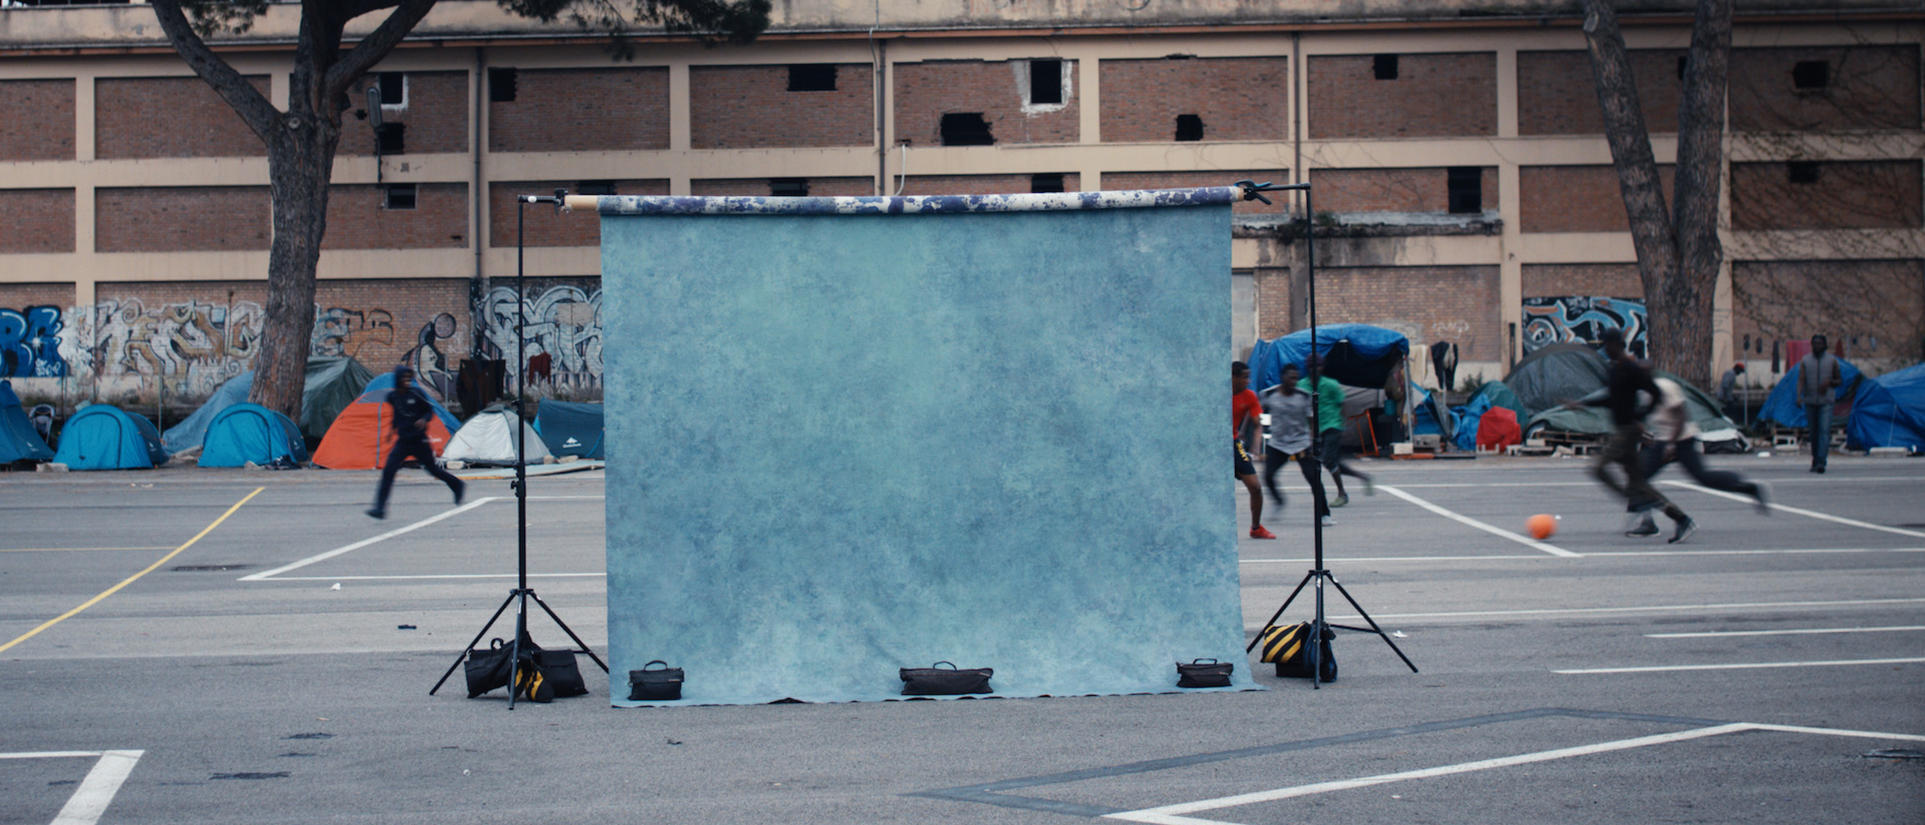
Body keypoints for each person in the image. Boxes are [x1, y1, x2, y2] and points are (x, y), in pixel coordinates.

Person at [1566, 328, 1694, 543]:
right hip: (1622, 430)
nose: (1605, 349)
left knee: (1598, 468)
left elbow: (1656, 393)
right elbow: (1611, 399)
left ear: (1617, 344)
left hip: (1628, 432)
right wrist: (1582, 404)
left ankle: (1632, 499)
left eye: (1607, 344)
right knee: (1639, 483)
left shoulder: (1632, 369)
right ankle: (1681, 519)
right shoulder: (1615, 370)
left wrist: (1641, 416)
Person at [1625, 377, 1771, 535]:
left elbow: (1681, 416)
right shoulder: (1643, 392)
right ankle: (1648, 523)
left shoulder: (1664, 387)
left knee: (1703, 477)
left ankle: (1749, 487)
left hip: (1682, 439)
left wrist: (1671, 444)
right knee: (1639, 476)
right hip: (1663, 440)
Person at [367, 365, 465, 519]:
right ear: (398, 379)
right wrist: (391, 430)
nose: (406, 381)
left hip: (419, 441)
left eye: (408, 378)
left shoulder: (416, 393)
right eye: (403, 378)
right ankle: (379, 508)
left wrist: (423, 420)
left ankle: (456, 484)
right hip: (403, 441)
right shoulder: (393, 397)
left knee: (433, 469)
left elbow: (429, 411)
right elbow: (398, 415)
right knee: (388, 471)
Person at [1258, 363, 1333, 526]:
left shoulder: (1304, 396)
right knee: (1268, 475)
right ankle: (1279, 501)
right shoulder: (1268, 394)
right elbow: (1258, 414)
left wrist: (1313, 441)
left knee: (1313, 477)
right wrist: (1261, 434)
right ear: (1282, 377)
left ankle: (1324, 513)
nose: (1293, 381)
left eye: (1296, 379)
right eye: (1290, 378)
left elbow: (1311, 420)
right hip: (1278, 442)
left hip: (1300, 442)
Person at [1299, 354, 1372, 507]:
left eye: (1318, 366)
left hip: (1331, 425)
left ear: (1322, 367)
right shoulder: (1302, 385)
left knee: (1328, 459)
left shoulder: (1330, 384)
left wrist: (1342, 422)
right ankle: (1363, 476)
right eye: (1312, 367)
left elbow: (1342, 404)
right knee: (1333, 462)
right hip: (1315, 428)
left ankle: (1342, 493)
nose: (1315, 370)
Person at [1231, 361, 1273, 539]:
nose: (1248, 381)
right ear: (1232, 378)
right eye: (1244, 377)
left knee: (1255, 487)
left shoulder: (1249, 396)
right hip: (1210, 446)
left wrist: (1256, 447)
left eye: (1249, 377)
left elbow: (1258, 425)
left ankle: (1256, 528)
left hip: (1233, 444)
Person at [1797, 335, 1843, 474]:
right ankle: (1815, 459)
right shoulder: (1806, 360)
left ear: (1824, 345)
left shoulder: (1832, 360)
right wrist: (1799, 396)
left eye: (1820, 343)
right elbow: (1801, 379)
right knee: (1814, 432)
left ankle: (1821, 462)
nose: (1817, 346)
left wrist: (1829, 383)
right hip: (1810, 400)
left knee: (1824, 431)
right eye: (1815, 343)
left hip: (1826, 401)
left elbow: (1839, 380)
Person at [1717, 362, 1746, 426]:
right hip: (1723, 398)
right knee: (1729, 413)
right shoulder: (1730, 373)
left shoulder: (1731, 374)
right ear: (1737, 369)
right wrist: (1728, 398)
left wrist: (1732, 397)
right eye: (1740, 371)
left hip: (1726, 398)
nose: (1739, 373)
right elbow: (1725, 386)